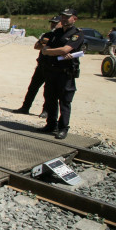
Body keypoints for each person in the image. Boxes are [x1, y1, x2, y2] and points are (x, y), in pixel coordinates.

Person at [38, 9, 84, 140]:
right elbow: (44, 49)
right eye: (63, 17)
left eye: (67, 17)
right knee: (50, 98)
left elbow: (66, 49)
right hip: (52, 71)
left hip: (66, 73)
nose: (64, 19)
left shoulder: (77, 34)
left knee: (64, 101)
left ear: (74, 18)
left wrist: (51, 51)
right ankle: (51, 125)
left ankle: (63, 128)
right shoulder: (56, 33)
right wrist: (55, 51)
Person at [12, 16, 61, 117]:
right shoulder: (48, 35)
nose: (53, 25)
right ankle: (25, 107)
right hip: (41, 65)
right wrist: (47, 46)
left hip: (52, 67)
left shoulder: (62, 37)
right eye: (52, 23)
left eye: (55, 23)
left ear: (61, 23)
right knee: (32, 88)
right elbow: (37, 46)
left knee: (48, 91)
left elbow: (59, 49)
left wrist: (48, 47)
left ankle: (46, 111)